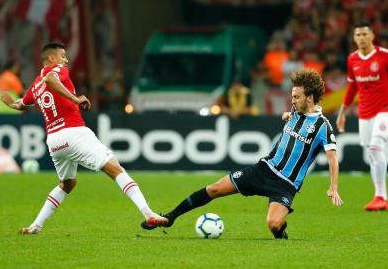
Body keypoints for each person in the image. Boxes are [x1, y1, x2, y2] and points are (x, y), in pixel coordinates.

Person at [141, 69, 343, 239]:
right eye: (292, 96)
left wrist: (333, 187)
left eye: (296, 97)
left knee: (273, 224)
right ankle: (170, 217)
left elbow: (332, 159)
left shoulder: (322, 126)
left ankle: (281, 234)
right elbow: (294, 116)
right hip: (264, 169)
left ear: (309, 98)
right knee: (214, 189)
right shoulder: (296, 111)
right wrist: (288, 114)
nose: (292, 100)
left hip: (286, 184)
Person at [0, 42, 168, 234]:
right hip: (74, 132)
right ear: (52, 58)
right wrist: (75, 98)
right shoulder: (56, 70)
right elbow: (51, 80)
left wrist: (11, 103)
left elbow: (22, 104)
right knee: (115, 169)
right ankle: (148, 214)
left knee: (68, 184)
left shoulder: (34, 86)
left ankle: (35, 226)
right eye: (63, 55)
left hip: (54, 141)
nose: (66, 59)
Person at [336, 21, 388, 211]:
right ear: (354, 38)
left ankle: (380, 196)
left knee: (376, 148)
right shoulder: (352, 59)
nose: (361, 38)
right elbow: (352, 86)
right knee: (373, 155)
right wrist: (342, 111)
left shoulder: (384, 56)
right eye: (358, 35)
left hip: (385, 109)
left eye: (365, 34)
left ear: (372, 35)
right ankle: (380, 196)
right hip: (364, 112)